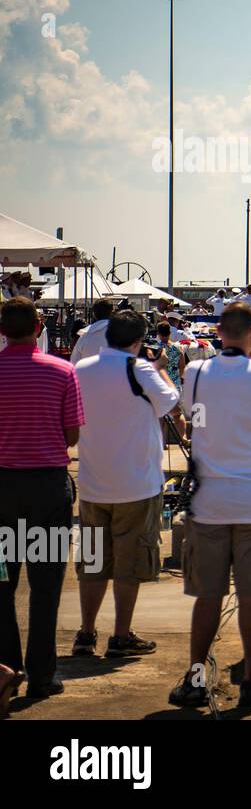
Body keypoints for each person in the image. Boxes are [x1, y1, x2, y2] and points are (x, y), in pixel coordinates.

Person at [170, 302, 251, 709]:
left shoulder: (197, 372)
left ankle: (195, 678)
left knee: (207, 597)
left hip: (209, 502)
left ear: (220, 333)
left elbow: (187, 413)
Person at [72, 309, 181, 660]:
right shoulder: (141, 369)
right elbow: (170, 401)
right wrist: (160, 365)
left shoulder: (79, 371)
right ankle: (120, 635)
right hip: (136, 484)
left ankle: (86, 633)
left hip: (91, 484)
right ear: (137, 341)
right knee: (129, 564)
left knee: (91, 563)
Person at [0, 297, 83, 700]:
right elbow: (71, 437)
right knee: (45, 585)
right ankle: (42, 673)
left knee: (2, 584)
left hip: (1, 492)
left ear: (1, 330)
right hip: (48, 490)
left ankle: (6, 670)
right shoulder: (63, 372)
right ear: (39, 325)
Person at [70, 297, 115, 365]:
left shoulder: (84, 335)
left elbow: (74, 362)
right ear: (112, 312)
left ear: (94, 314)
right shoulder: (120, 333)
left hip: (87, 374)